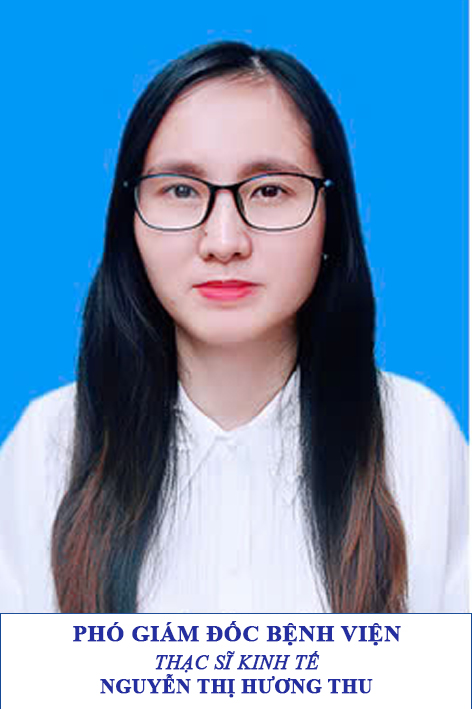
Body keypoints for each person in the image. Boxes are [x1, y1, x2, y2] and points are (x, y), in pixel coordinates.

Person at [0, 41, 467, 614]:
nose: (224, 242)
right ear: (130, 221)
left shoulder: (418, 438)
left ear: (331, 217)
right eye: (180, 190)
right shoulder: (48, 445)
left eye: (269, 190)